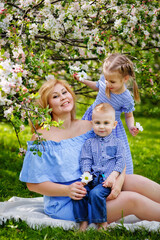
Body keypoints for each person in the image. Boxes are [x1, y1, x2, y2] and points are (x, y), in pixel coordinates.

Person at [19, 78, 160, 228]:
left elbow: (118, 156)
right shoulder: (40, 138)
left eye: (64, 92)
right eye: (55, 96)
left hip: (96, 186)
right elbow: (32, 184)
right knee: (132, 200)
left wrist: (118, 182)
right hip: (70, 202)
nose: (63, 97)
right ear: (48, 106)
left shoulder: (90, 127)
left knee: (136, 180)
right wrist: (67, 190)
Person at [74, 53, 140, 175]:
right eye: (106, 79)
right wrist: (82, 80)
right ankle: (82, 172)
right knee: (84, 146)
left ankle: (109, 176)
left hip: (110, 127)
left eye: (112, 82)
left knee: (108, 153)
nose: (108, 84)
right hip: (91, 120)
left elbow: (129, 115)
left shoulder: (126, 98)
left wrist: (131, 126)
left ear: (125, 78)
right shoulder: (106, 82)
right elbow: (97, 85)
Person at [72, 103, 125, 230]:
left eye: (106, 123)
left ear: (114, 124)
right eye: (98, 123)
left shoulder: (118, 143)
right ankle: (82, 222)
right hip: (91, 180)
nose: (101, 127)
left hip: (106, 181)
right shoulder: (89, 143)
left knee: (96, 194)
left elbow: (121, 161)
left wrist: (113, 176)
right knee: (79, 193)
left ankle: (101, 223)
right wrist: (85, 175)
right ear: (92, 123)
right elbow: (86, 159)